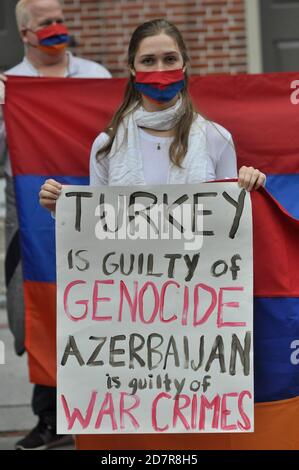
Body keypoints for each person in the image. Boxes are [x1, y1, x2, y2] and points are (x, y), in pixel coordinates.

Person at [0, 0, 111, 451]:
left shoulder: (97, 78)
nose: (57, 27)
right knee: (41, 317)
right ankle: (50, 417)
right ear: (26, 33)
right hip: (31, 222)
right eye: (46, 23)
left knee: (100, 311)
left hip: (94, 214)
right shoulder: (11, 87)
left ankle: (105, 410)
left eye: (60, 18)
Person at [40, 18, 266, 216]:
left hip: (201, 265)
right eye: (148, 61)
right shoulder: (106, 145)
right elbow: (98, 221)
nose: (160, 70)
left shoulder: (217, 138)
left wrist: (249, 186)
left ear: (184, 65)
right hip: (127, 265)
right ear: (132, 68)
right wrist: (62, 208)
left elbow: (230, 220)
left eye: (170, 59)